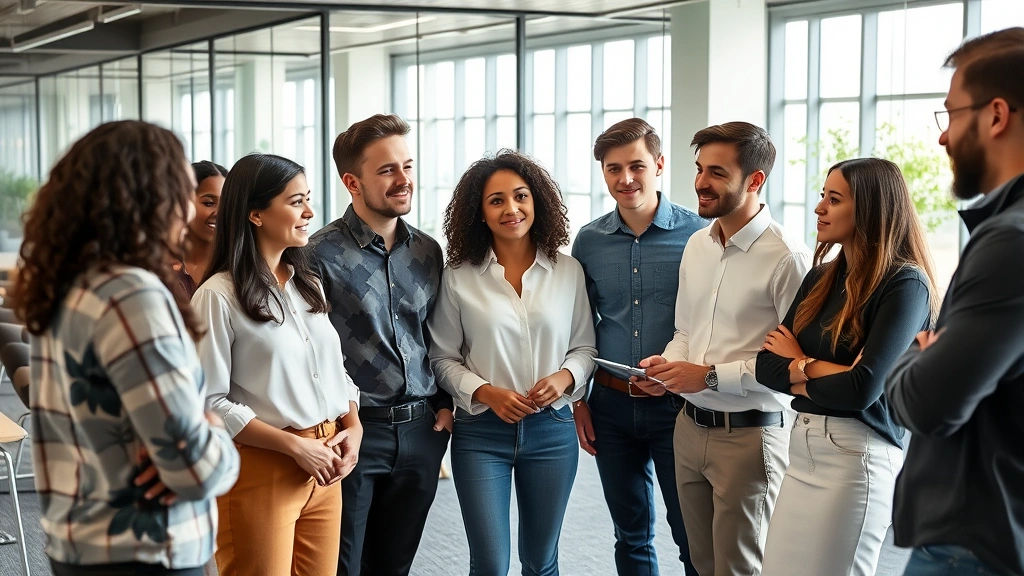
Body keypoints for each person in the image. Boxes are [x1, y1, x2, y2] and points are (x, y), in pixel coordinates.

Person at [11, 120, 239, 576]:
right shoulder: (131, 295)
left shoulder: (72, 283)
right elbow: (194, 469)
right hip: (148, 551)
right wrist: (212, 429)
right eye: (179, 187)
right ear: (149, 196)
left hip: (82, 541)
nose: (185, 206)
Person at [636, 122, 811, 576]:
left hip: (751, 439)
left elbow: (793, 364)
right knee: (701, 564)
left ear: (755, 180)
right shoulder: (697, 245)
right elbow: (686, 333)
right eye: (699, 169)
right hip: (688, 430)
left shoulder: (787, 257)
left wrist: (708, 375)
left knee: (738, 569)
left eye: (716, 172)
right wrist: (668, 368)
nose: (700, 183)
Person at [755, 158, 938, 576]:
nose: (819, 207)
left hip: (857, 460)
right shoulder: (819, 278)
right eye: (822, 196)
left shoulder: (905, 285)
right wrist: (824, 370)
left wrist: (797, 364)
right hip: (800, 453)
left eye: (834, 199)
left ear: (871, 210)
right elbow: (766, 364)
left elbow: (863, 388)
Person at [885, 41, 1024, 576]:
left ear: (995, 116)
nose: (942, 134)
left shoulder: (1010, 242)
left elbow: (928, 405)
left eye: (951, 112)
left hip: (975, 543)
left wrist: (912, 357)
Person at [191, 153, 362, 576]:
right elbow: (208, 402)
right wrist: (294, 446)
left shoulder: (307, 283)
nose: (310, 212)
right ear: (255, 214)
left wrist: (353, 427)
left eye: (308, 199)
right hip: (262, 466)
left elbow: (334, 372)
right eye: (296, 201)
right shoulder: (218, 296)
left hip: (326, 465)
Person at [429, 149, 597, 576]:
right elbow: (442, 357)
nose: (511, 209)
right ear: (479, 213)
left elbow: (585, 348)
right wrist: (485, 392)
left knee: (542, 562)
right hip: (481, 434)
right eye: (496, 200)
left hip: (552, 431)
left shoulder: (568, 271)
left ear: (536, 202)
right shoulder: (458, 276)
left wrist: (564, 378)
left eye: (520, 196)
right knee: (489, 563)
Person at [307, 113, 453, 576]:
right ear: (352, 181)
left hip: (422, 431)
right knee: (343, 566)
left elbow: (441, 336)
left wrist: (445, 406)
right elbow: (310, 349)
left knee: (394, 565)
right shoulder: (317, 254)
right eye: (387, 170)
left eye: (407, 166)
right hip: (353, 432)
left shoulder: (428, 251)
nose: (403, 179)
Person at [570, 118, 705, 576]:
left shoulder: (701, 235)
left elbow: (711, 322)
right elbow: (579, 327)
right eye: (613, 169)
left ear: (660, 164)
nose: (625, 179)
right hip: (609, 406)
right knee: (630, 535)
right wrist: (578, 402)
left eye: (636, 166)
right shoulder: (588, 241)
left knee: (691, 534)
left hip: (678, 407)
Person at [174, 161, 228, 298]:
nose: (219, 212)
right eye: (209, 203)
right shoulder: (162, 268)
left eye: (227, 204)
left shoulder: (239, 268)